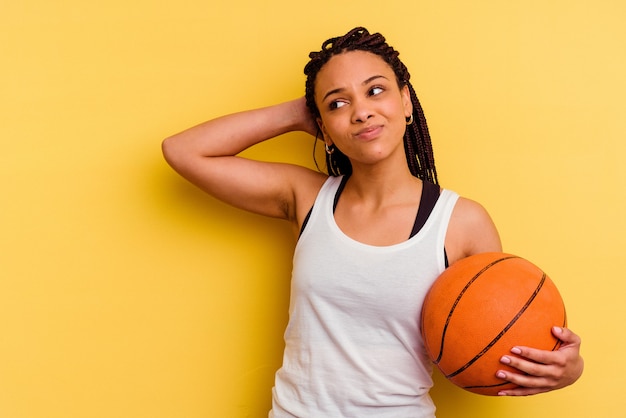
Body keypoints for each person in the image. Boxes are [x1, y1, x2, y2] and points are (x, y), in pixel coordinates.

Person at [162, 27, 583, 417]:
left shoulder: (460, 221)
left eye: (375, 91)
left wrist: (568, 367)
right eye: (338, 103)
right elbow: (183, 151)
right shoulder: (306, 197)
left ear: (405, 102)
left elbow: (502, 334)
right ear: (323, 128)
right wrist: (298, 112)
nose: (361, 112)